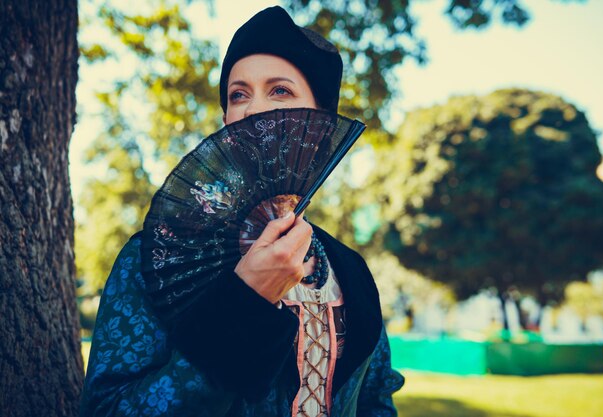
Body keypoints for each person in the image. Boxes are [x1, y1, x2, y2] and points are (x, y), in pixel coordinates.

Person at [80, 6, 404, 417]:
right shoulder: (155, 257)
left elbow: (376, 403)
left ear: (320, 126)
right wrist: (245, 302)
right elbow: (107, 409)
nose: (253, 110)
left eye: (280, 90)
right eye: (239, 95)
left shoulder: (350, 269)